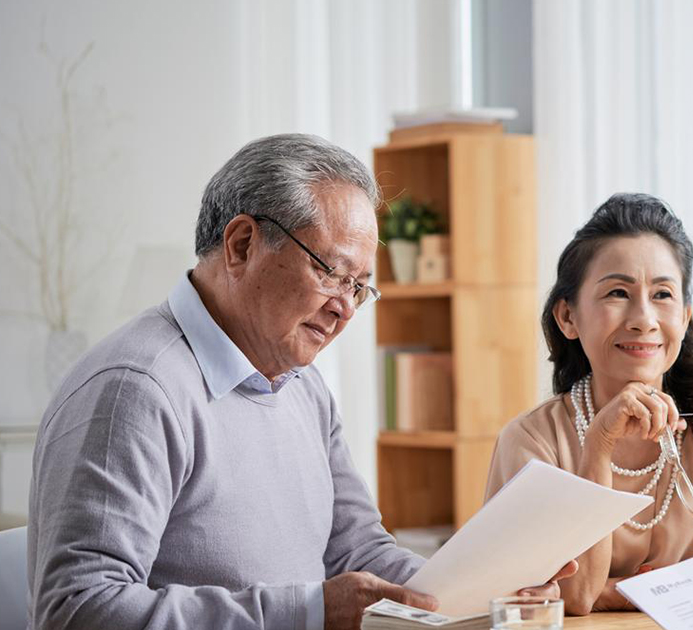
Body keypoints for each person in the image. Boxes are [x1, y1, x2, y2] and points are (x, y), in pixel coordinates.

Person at [26, 133, 572, 630]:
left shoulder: (301, 386)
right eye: (331, 272)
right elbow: (76, 609)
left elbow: (356, 549)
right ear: (242, 245)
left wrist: (482, 589)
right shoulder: (136, 390)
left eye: (359, 286)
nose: (345, 309)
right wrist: (307, 612)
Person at [484, 193, 693, 615]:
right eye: (618, 292)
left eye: (662, 294)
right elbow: (573, 598)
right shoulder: (531, 442)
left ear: (685, 316)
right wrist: (599, 445)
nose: (643, 318)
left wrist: (618, 591)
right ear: (568, 317)